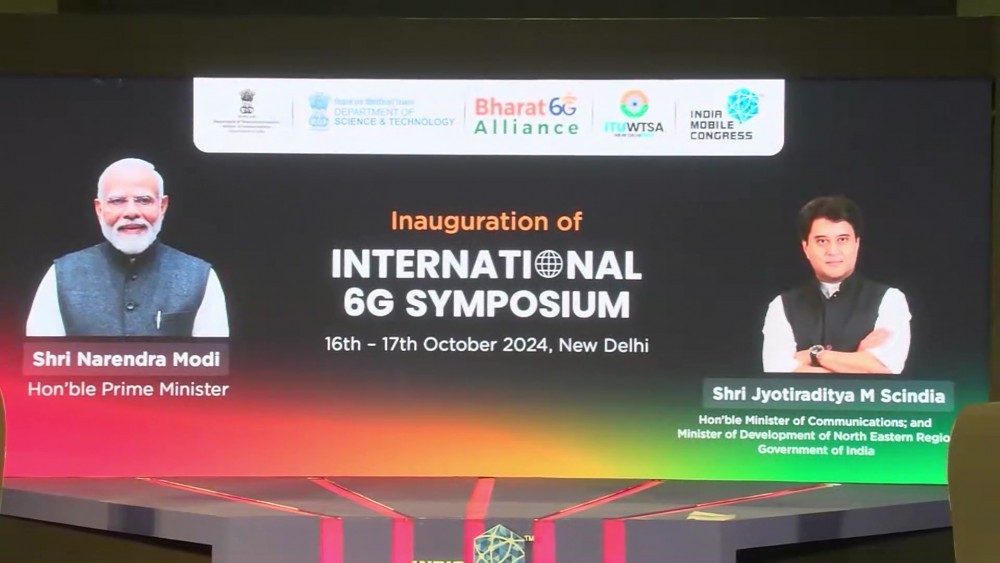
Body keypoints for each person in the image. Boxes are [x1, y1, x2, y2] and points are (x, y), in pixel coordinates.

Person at [26, 158, 229, 338]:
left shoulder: (201, 277)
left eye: (144, 200)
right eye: (117, 201)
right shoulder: (60, 275)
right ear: (99, 209)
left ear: (162, 206)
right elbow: (41, 362)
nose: (131, 212)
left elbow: (215, 364)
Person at [762, 196, 910, 374]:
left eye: (842, 239)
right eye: (822, 241)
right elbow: (776, 370)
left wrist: (813, 355)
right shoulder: (781, 305)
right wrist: (856, 362)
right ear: (806, 248)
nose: (833, 251)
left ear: (856, 243)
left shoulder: (891, 299)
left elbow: (884, 368)